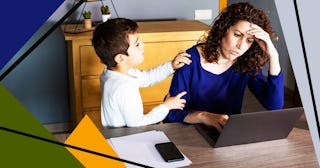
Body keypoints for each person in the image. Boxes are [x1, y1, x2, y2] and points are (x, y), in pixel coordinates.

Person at [165, 2, 284, 132]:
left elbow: (274, 105)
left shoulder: (245, 63)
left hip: (226, 134)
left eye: (249, 40)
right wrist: (204, 116)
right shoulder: (189, 60)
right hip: (190, 133)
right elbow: (171, 114)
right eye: (237, 35)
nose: (241, 46)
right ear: (223, 29)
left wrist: (274, 56)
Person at [92, 18, 191, 127]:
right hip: (124, 139)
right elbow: (137, 123)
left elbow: (147, 77)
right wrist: (166, 106)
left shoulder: (111, 72)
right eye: (137, 44)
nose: (142, 45)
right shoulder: (124, 87)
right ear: (121, 58)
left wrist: (171, 66)